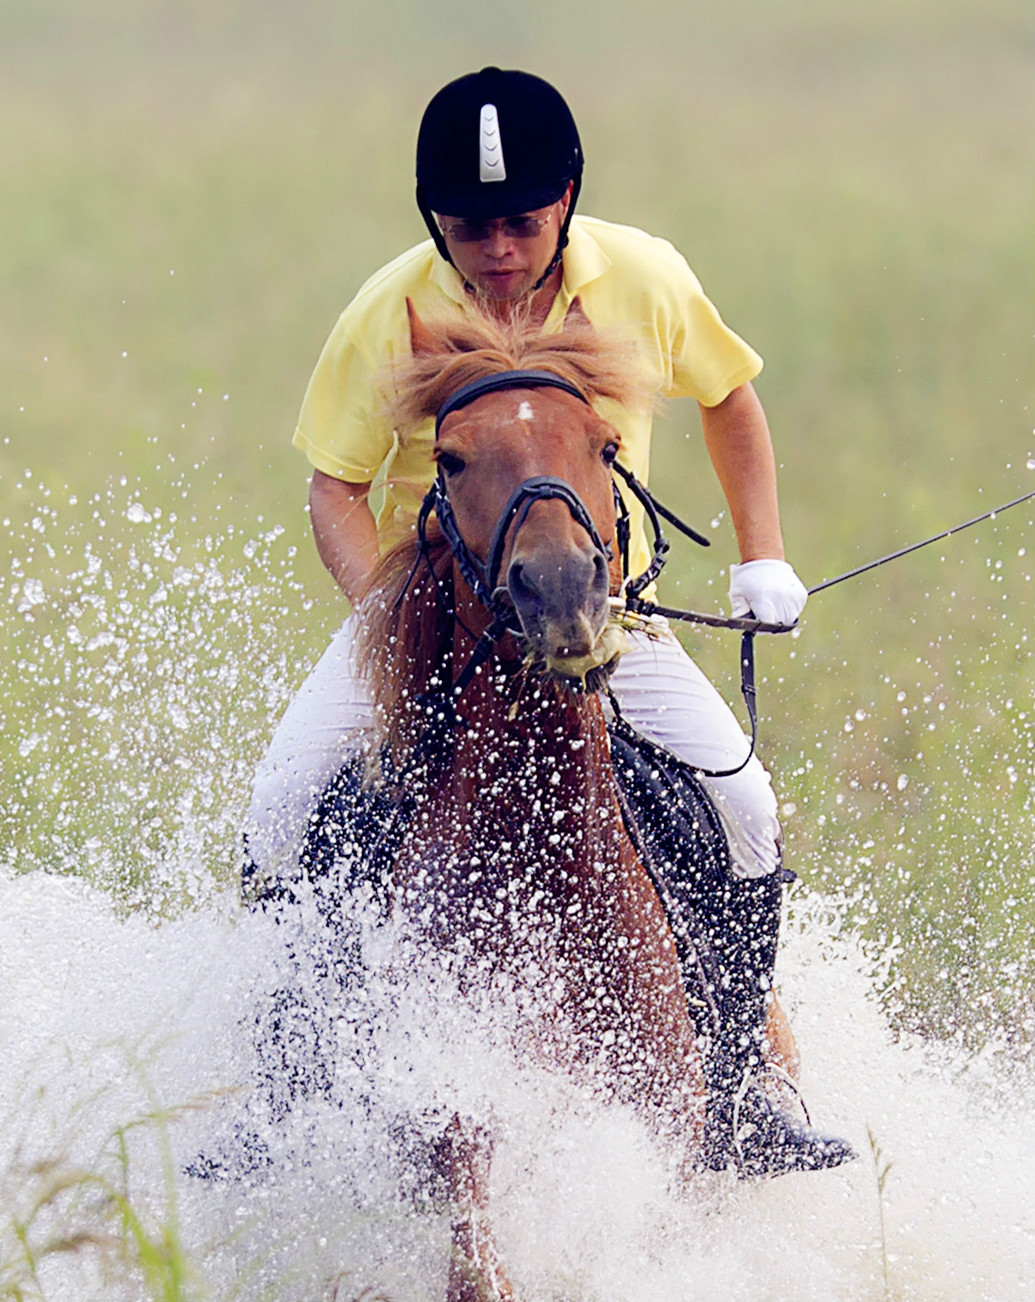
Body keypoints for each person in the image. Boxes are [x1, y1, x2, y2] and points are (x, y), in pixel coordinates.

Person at [246, 67, 854, 1177]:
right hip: (433, 609)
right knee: (281, 805)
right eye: (470, 227)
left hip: (601, 609)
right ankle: (284, 1096)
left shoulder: (648, 277)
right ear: (434, 218)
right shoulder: (388, 311)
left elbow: (728, 397)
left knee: (744, 804)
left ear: (566, 196)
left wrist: (763, 553)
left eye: (522, 222)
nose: (499, 250)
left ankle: (745, 1081)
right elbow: (335, 483)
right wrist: (391, 614)